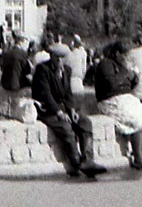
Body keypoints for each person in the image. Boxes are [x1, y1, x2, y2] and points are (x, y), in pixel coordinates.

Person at [32, 43, 107, 178]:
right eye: (57, 58)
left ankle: (88, 159)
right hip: (48, 110)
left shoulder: (67, 70)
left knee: (85, 122)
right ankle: (76, 161)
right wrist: (59, 112)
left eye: (62, 58)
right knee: (66, 128)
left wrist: (71, 110)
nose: (59, 61)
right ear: (51, 57)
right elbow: (46, 94)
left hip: (64, 109)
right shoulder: (42, 69)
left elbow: (68, 93)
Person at [94, 40, 142, 170]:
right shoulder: (105, 64)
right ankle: (138, 157)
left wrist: (135, 77)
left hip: (126, 98)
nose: (127, 58)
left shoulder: (123, 66)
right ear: (117, 53)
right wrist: (127, 74)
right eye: (125, 55)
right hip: (111, 100)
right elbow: (112, 83)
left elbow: (129, 85)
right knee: (136, 121)